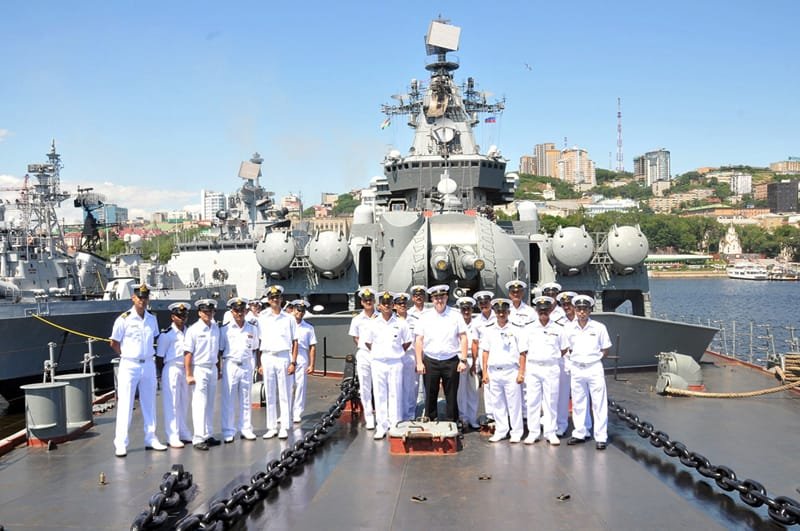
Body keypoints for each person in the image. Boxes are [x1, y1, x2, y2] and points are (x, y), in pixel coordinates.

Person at [109, 283, 166, 457]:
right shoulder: (123, 319)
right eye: (140, 297)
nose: (143, 301)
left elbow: (154, 337)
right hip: (130, 364)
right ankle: (121, 442)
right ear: (133, 298)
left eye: (145, 298)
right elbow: (113, 342)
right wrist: (125, 355)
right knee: (125, 404)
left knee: (149, 403)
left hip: (148, 363)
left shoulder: (152, 319)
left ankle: (151, 437)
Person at [562, 295, 612, 450]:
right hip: (577, 368)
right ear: (575, 310)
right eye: (579, 309)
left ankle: (601, 436)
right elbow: (565, 348)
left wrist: (593, 359)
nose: (582, 312)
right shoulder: (568, 328)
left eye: (585, 309)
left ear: (590, 310)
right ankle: (579, 433)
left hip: (594, 367)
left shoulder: (599, 327)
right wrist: (570, 364)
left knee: (599, 403)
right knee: (578, 402)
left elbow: (605, 349)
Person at [414, 285, 468, 421]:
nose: (439, 300)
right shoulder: (424, 317)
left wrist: (463, 360)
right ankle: (431, 420)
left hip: (451, 360)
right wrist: (419, 362)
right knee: (430, 394)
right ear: (432, 299)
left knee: (451, 395)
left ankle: (453, 422)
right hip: (431, 360)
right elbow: (419, 340)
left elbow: (463, 337)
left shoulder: (455, 315)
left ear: (446, 297)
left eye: (442, 297)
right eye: (436, 298)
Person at [364, 291, 412, 439]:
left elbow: (407, 341)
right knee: (379, 395)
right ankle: (381, 426)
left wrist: (395, 352)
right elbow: (367, 342)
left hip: (395, 362)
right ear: (379, 306)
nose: (386, 306)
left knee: (395, 393)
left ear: (393, 305)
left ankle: (395, 425)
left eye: (389, 304)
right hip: (378, 362)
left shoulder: (401, 323)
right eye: (384, 304)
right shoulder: (372, 323)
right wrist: (380, 353)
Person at [480, 298, 526, 443]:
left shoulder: (516, 329)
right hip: (494, 371)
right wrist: (485, 373)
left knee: (514, 404)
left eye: (504, 312)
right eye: (498, 312)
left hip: (511, 371)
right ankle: (501, 430)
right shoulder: (488, 330)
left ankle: (516, 431)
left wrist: (521, 373)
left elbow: (522, 353)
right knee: (497, 404)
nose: (501, 314)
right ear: (494, 312)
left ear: (509, 312)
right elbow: (485, 352)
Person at [184, 298, 226, 451]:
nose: (208, 314)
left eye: (211, 311)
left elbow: (217, 351)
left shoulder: (215, 328)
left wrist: (219, 368)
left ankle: (208, 434)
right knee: (199, 403)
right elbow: (188, 354)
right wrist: (189, 374)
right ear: (200, 313)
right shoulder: (193, 330)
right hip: (199, 368)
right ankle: (198, 437)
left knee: (210, 403)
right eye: (205, 312)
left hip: (212, 368)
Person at [522, 296, 565, 445]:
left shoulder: (558, 328)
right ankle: (533, 432)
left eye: (546, 310)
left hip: (551, 367)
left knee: (551, 401)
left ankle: (550, 432)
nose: (543, 313)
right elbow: (523, 350)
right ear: (536, 310)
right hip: (533, 367)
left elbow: (564, 348)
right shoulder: (528, 328)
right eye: (540, 310)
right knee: (532, 401)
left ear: (550, 310)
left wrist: (551, 358)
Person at [257, 285, 298, 440]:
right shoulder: (262, 318)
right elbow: (258, 341)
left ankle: (284, 427)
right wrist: (259, 364)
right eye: (272, 298)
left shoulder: (289, 318)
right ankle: (271, 427)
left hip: (283, 357)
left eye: (278, 297)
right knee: (270, 393)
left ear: (281, 299)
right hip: (267, 356)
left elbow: (295, 342)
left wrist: (293, 362)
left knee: (284, 393)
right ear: (268, 300)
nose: (275, 300)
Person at [220, 297, 260, 443]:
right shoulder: (225, 329)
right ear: (232, 311)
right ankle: (228, 430)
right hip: (230, 364)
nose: (239, 313)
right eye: (236, 310)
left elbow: (255, 347)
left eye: (242, 310)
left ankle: (246, 428)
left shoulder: (252, 328)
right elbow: (221, 349)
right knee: (228, 399)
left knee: (246, 398)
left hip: (246, 364)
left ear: (246, 310)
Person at [156, 301, 192, 448]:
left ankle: (183, 431)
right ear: (172, 317)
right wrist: (160, 376)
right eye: (178, 316)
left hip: (186, 369)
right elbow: (159, 357)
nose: (182, 318)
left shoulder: (189, 332)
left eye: (184, 316)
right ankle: (173, 435)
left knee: (184, 402)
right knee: (172, 403)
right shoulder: (167, 335)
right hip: (171, 368)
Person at [348, 287, 378, 429]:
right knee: (365, 386)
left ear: (374, 301)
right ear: (362, 302)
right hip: (364, 353)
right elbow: (355, 337)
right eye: (366, 300)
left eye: (370, 300)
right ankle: (369, 416)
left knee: (380, 387)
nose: (368, 302)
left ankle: (382, 416)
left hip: (379, 354)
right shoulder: (357, 319)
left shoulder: (381, 317)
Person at [554, 290, 577, 436]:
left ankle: (583, 427)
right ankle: (562, 424)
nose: (566, 306)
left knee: (581, 396)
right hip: (564, 362)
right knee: (562, 396)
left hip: (579, 362)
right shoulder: (559, 324)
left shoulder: (582, 321)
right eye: (564, 304)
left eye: (569, 303)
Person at [455, 296, 480, 429]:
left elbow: (478, 343)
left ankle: (472, 418)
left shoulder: (476, 324)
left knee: (473, 389)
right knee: (461, 391)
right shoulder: (457, 323)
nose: (466, 312)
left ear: (472, 309)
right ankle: (463, 417)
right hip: (461, 359)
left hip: (473, 358)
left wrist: (476, 363)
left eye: (468, 309)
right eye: (463, 309)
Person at [393, 292, 418, 420]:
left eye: (404, 303)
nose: (402, 305)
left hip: (409, 356)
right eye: (399, 304)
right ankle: (397, 414)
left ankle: (410, 414)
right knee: (395, 386)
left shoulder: (414, 320)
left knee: (411, 386)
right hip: (395, 357)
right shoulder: (391, 320)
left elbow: (419, 340)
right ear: (395, 306)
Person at [291, 299, 317, 423]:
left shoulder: (309, 328)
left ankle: (297, 412)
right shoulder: (287, 324)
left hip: (301, 356)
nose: (300, 313)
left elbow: (312, 347)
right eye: (298, 310)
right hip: (288, 355)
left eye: (302, 311)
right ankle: (286, 412)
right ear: (293, 309)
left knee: (300, 385)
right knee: (287, 386)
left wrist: (312, 364)